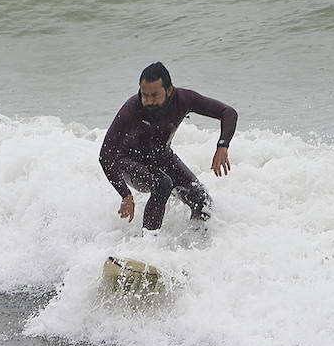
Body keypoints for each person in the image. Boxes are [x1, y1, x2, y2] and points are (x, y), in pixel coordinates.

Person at [99, 62, 238, 230]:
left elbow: (228, 112)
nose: (148, 101)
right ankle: (149, 245)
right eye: (144, 95)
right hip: (128, 161)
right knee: (162, 183)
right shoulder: (132, 108)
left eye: (154, 95)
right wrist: (125, 194)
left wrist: (222, 145)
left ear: (169, 90)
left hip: (163, 157)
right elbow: (106, 155)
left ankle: (196, 243)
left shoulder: (184, 99)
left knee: (201, 200)